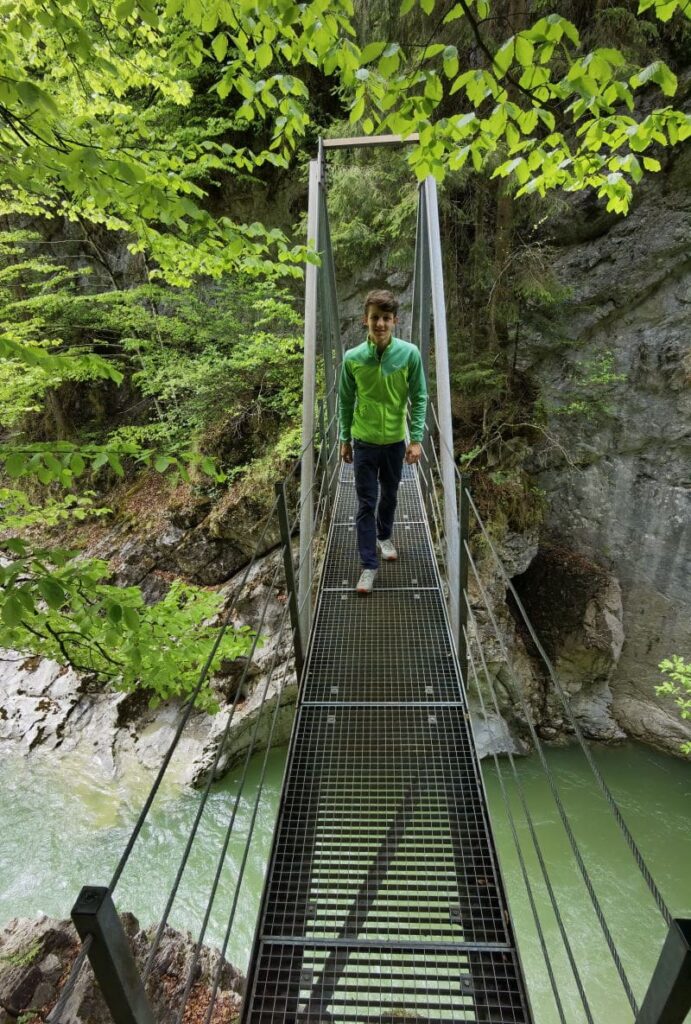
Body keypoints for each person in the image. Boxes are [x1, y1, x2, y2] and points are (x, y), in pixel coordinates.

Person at [338, 288, 428, 594]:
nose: (380, 324)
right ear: (366, 320)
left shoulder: (409, 354)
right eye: (375, 318)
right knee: (366, 502)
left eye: (386, 318)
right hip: (363, 441)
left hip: (393, 442)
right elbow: (345, 400)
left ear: (394, 321)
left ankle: (384, 534)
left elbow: (419, 396)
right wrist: (344, 437)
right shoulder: (352, 358)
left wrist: (415, 439)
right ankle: (368, 566)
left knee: (389, 495)